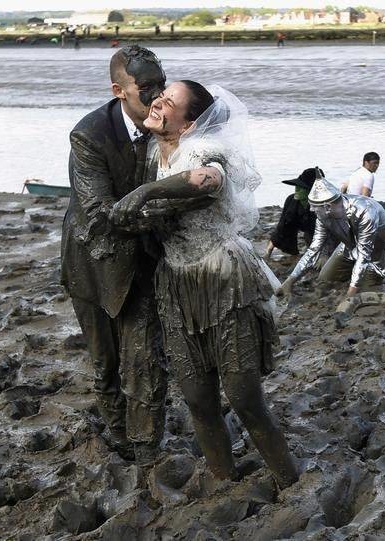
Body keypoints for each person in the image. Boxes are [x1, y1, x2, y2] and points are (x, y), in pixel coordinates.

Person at [112, 82, 299, 488]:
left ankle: (290, 482)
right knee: (198, 399)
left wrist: (148, 191)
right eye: (160, 95)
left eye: (170, 102)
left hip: (224, 279)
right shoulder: (151, 152)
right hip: (177, 283)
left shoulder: (202, 150)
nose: (158, 101)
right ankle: (223, 478)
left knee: (245, 399)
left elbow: (208, 180)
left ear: (190, 123)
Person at [60, 45, 167, 463]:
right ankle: (119, 434)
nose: (158, 96)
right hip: (93, 262)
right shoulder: (89, 135)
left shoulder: (170, 120)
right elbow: (98, 212)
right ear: (119, 90)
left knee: (146, 359)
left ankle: (145, 447)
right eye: (147, 89)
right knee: (105, 364)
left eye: (161, 83)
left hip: (145, 262)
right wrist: (163, 207)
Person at [277, 174, 385, 300]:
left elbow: (364, 254)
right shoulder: (323, 215)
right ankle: (354, 271)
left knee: (366, 289)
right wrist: (290, 281)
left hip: (381, 246)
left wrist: (349, 295)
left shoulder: (364, 212)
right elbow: (314, 249)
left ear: (328, 206)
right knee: (325, 279)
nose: (312, 210)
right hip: (351, 243)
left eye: (314, 206)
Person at [265, 167, 322, 258]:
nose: (297, 189)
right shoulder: (291, 200)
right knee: (288, 229)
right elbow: (283, 226)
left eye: (302, 187)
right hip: (302, 225)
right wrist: (269, 250)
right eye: (297, 185)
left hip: (318, 232)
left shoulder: (323, 205)